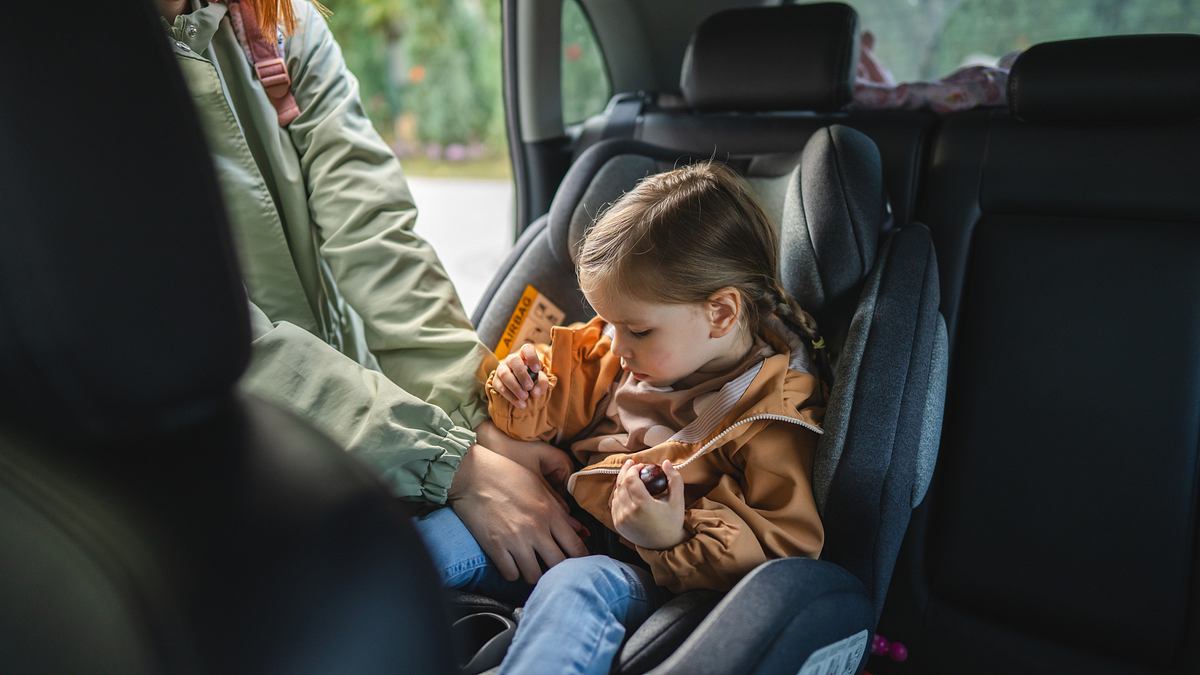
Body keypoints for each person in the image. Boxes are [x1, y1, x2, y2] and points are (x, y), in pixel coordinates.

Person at [155, 0, 585, 583]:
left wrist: (478, 424)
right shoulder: (51, 76)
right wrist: (453, 467)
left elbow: (376, 235)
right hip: (199, 486)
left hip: (358, 450)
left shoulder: (277, 25)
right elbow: (203, 335)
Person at [416, 162, 827, 674]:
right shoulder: (619, 351)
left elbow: (778, 552)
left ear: (721, 313)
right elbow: (544, 421)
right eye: (609, 324)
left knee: (577, 587)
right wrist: (522, 393)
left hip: (647, 574)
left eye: (635, 330)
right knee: (429, 540)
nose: (614, 343)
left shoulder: (770, 417)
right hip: (560, 522)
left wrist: (670, 536)